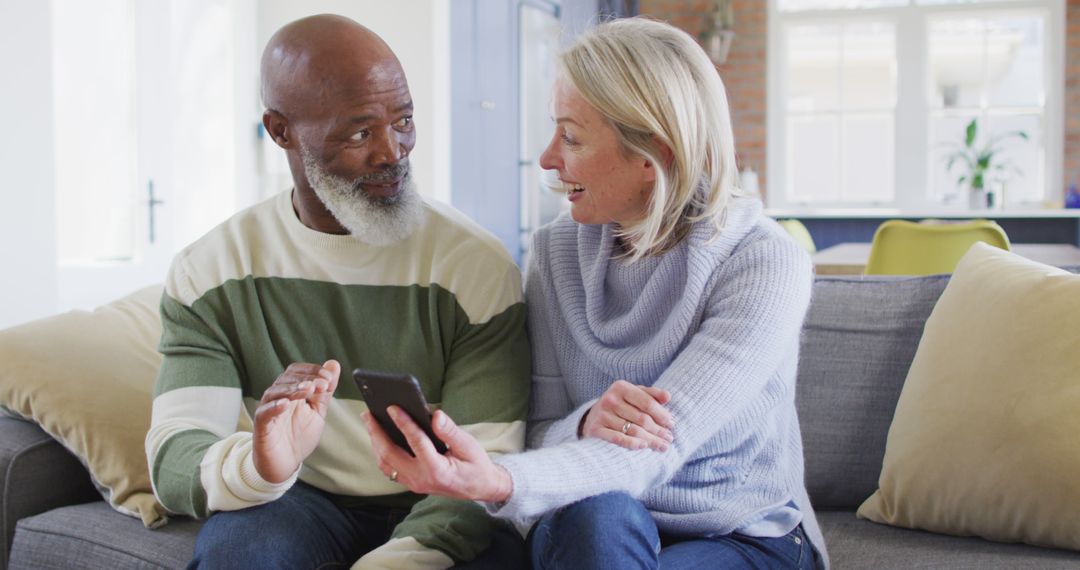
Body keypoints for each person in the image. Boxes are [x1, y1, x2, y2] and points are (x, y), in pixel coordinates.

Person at [363, 16, 829, 569]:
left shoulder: (761, 261)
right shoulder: (558, 251)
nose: (547, 159)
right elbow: (539, 427)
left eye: (571, 136)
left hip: (735, 531)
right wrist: (583, 423)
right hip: (594, 518)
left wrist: (495, 479)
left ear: (654, 155)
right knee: (597, 516)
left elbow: (659, 449)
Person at [145, 14, 530, 569]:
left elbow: (486, 463)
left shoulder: (474, 266)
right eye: (359, 132)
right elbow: (175, 454)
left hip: (443, 496)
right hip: (297, 499)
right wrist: (262, 466)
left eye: (404, 121)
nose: (393, 151)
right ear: (280, 131)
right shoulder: (211, 271)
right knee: (239, 552)